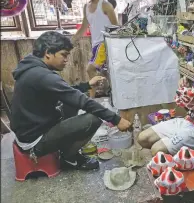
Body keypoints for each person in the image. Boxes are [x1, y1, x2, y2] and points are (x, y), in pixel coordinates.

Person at [10, 31, 131, 170]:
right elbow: (82, 101)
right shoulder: (42, 75)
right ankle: (69, 158)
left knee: (70, 102)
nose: (66, 60)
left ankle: (65, 150)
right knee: (92, 120)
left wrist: (86, 85)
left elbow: (66, 92)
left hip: (31, 129)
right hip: (34, 141)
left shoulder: (32, 67)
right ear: (48, 53)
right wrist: (116, 119)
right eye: (64, 55)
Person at [72, 0, 118, 98]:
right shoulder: (86, 7)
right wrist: (71, 40)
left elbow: (116, 27)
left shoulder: (105, 5)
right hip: (95, 45)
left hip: (105, 43)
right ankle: (112, 95)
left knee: (90, 69)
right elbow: (83, 27)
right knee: (106, 73)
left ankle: (92, 99)